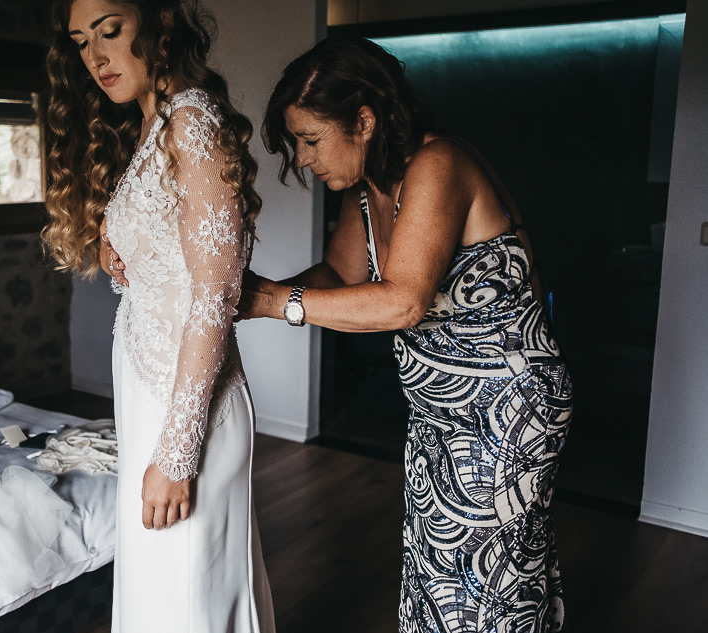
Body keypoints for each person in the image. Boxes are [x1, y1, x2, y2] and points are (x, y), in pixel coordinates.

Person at [237, 36, 572, 632]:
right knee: (434, 577)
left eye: (311, 139)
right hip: (438, 411)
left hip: (507, 407)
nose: (304, 158)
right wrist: (254, 294)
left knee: (486, 589)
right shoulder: (368, 192)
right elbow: (340, 276)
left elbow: (404, 300)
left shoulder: (440, 164)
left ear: (364, 121)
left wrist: (270, 301)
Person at [41, 1, 275, 631]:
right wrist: (122, 253)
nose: (95, 57)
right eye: (81, 41)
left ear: (159, 21)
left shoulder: (191, 120)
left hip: (188, 406)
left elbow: (215, 292)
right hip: (150, 391)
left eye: (110, 31)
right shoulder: (153, 123)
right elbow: (174, 265)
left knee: (190, 601)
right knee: (160, 596)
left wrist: (176, 455)